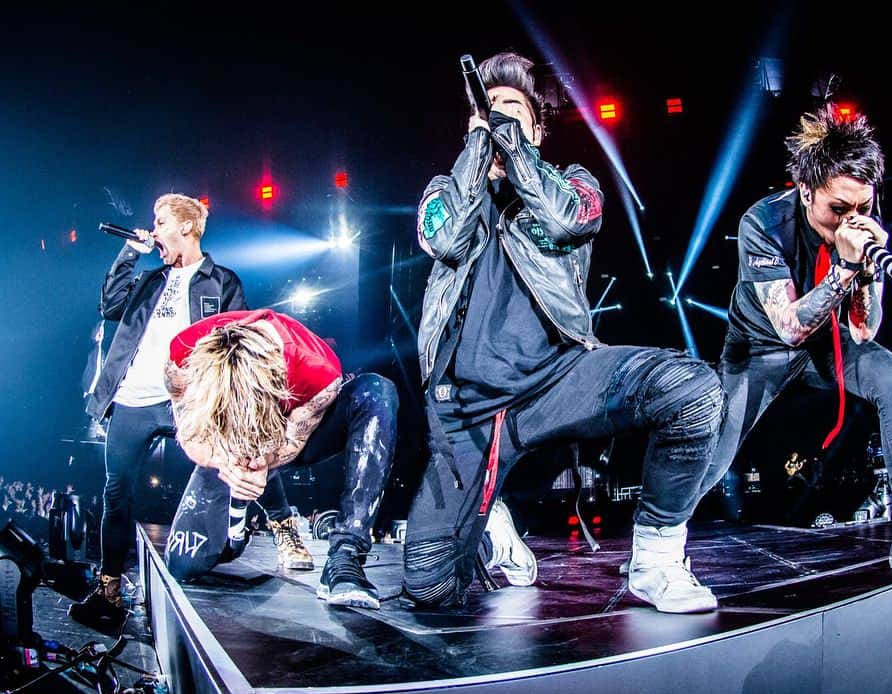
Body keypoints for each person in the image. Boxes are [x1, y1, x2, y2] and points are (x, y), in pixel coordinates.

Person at [404, 51, 725, 614]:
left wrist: (513, 147)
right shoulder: (444, 190)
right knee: (429, 589)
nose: (496, 118)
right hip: (468, 413)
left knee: (692, 392)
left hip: (559, 379)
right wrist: (479, 149)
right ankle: (491, 519)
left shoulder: (573, 183)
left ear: (535, 128)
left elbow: (564, 220)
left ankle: (656, 559)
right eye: (486, 112)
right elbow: (446, 239)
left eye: (511, 110)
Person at [696, 103, 892, 571]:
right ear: (805, 190)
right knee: (715, 452)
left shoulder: (860, 226)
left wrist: (868, 271)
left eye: (863, 207)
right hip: (758, 348)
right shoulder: (762, 223)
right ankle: (654, 538)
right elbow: (790, 328)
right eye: (838, 208)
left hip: (824, 342)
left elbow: (863, 328)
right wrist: (843, 269)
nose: (850, 220)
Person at [69, 194, 309, 627]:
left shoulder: (221, 282)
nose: (154, 230)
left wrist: (227, 396)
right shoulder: (148, 279)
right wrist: (129, 254)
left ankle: (283, 526)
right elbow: (108, 306)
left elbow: (238, 341)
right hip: (134, 398)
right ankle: (109, 588)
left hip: (190, 398)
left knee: (246, 448)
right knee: (116, 492)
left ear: (186, 228)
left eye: (160, 222)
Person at [161, 309, 398, 609]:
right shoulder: (182, 357)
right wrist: (228, 464)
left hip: (291, 436)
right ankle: (248, 529)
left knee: (376, 391)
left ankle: (345, 554)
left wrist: (261, 462)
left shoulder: (317, 369)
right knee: (183, 565)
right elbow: (189, 435)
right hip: (224, 446)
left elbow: (292, 444)